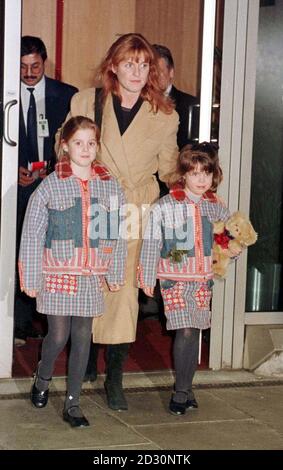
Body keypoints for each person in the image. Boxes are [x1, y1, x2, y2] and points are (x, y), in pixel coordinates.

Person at [63, 33, 179, 410]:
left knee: (124, 294)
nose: (137, 71)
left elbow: (168, 170)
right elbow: (63, 152)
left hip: (136, 208)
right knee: (90, 286)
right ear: (113, 65)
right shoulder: (86, 100)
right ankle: (86, 363)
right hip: (94, 202)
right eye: (129, 63)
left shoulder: (165, 114)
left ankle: (115, 377)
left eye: (144, 64)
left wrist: (198, 190)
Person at [18, 116, 127, 427]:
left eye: (91, 143)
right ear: (65, 146)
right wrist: (31, 277)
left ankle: (73, 403)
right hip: (56, 274)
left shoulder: (109, 188)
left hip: (90, 275)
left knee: (83, 337)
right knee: (58, 335)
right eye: (78, 143)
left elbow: (115, 233)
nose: (85, 149)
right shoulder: (50, 186)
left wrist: (114, 270)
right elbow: (33, 233)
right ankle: (43, 376)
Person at [139, 142, 240, 415]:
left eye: (206, 174)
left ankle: (187, 385)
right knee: (184, 330)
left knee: (194, 332)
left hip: (202, 279)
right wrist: (147, 276)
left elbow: (227, 241)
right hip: (173, 279)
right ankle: (181, 392)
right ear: (183, 175)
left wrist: (234, 247)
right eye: (194, 173)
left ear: (214, 175)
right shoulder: (166, 206)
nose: (201, 180)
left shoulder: (216, 207)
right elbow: (151, 242)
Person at [15, 36, 78, 345]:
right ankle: (18, 321)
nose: (28, 72)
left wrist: (54, 170)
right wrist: (11, 170)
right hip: (15, 187)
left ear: (45, 62)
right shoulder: (7, 92)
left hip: (55, 186)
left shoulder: (66, 96)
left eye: (34, 66)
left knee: (51, 252)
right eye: (23, 66)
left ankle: (46, 320)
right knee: (18, 248)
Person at [152, 44, 199, 150]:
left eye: (159, 72)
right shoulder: (138, 102)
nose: (153, 77)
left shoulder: (190, 105)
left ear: (171, 72)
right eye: (150, 72)